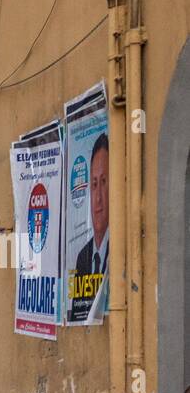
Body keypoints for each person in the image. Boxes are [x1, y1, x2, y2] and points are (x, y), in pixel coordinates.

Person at [67, 133, 109, 324]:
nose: (98, 198)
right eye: (93, 185)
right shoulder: (82, 257)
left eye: (104, 182)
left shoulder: (120, 250)